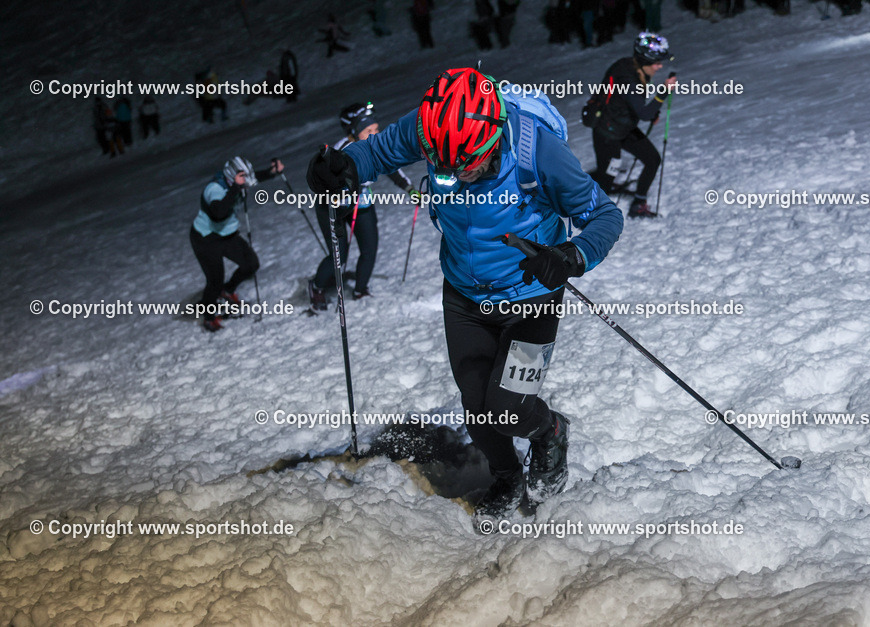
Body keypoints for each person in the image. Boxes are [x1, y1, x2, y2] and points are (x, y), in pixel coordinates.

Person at [307, 67, 623, 521]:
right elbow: (376, 151)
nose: (456, 174)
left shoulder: (540, 153)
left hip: (532, 293)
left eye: (467, 164)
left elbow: (605, 216)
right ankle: (507, 475)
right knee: (477, 407)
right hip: (464, 294)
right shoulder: (437, 128)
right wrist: (344, 165)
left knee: (509, 408)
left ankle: (550, 432)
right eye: (445, 164)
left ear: (493, 135)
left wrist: (571, 255)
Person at [307, 103, 418, 309]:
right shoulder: (340, 152)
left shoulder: (376, 146)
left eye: (376, 129)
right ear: (354, 133)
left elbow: (391, 167)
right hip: (332, 206)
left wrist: (410, 189)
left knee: (370, 247)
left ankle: (360, 289)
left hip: (361, 203)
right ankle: (317, 287)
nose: (375, 134)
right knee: (339, 252)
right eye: (369, 131)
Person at [190, 156, 284, 331]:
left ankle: (228, 290)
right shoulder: (214, 189)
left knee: (251, 264)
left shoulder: (237, 181)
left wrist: (272, 172)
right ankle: (209, 318)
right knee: (214, 280)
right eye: (242, 180)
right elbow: (219, 212)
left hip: (227, 235)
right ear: (231, 177)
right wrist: (235, 188)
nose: (246, 184)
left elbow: (254, 178)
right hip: (206, 239)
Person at [590, 32, 677, 218]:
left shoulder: (632, 66)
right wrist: (663, 92)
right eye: (657, 63)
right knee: (607, 178)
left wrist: (652, 109)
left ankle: (638, 204)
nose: (660, 66)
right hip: (607, 133)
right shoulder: (628, 78)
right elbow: (644, 113)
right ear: (645, 61)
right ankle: (591, 214)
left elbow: (633, 105)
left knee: (652, 159)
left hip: (624, 127)